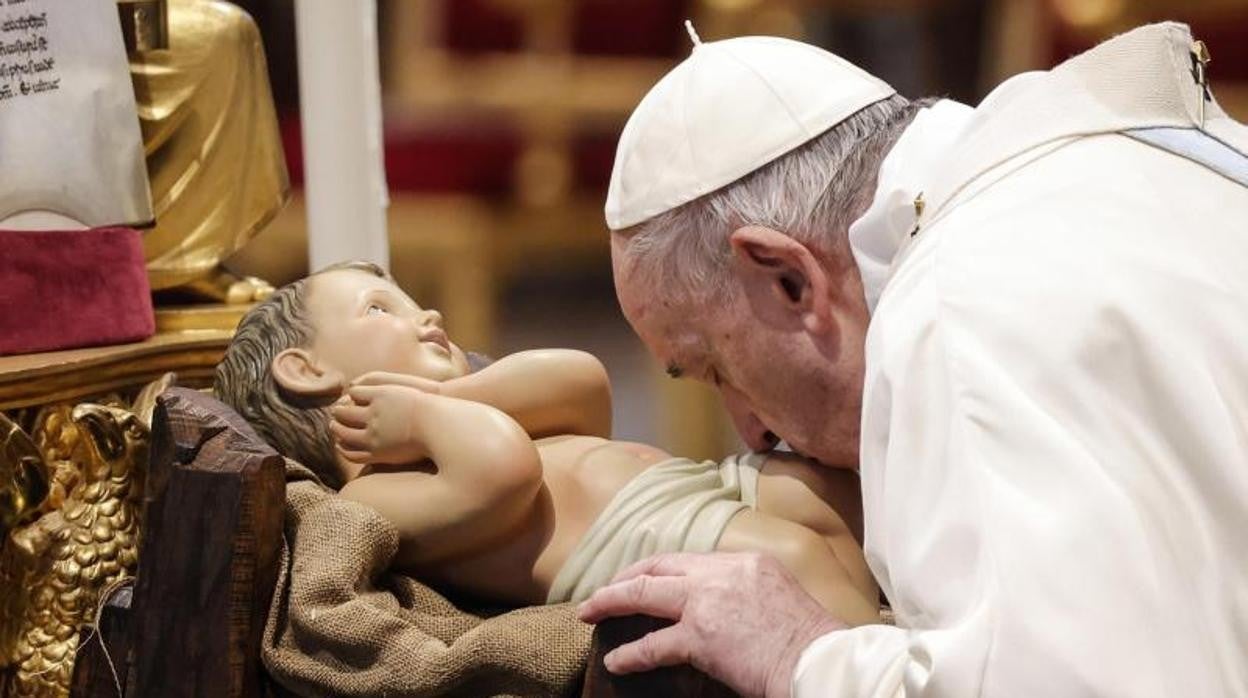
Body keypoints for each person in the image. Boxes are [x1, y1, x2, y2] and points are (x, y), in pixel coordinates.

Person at [579, 21, 1248, 698]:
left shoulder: (955, 309)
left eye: (716, 368)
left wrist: (801, 656)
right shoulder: (1126, 166)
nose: (752, 431)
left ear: (788, 277)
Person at [213, 261, 880, 623]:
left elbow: (582, 381)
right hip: (660, 541)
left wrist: (445, 398)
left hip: (708, 487)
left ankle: (903, 629)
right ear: (306, 370)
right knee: (796, 564)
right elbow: (503, 473)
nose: (428, 314)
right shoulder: (374, 497)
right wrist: (422, 421)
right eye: (381, 309)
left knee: (827, 487)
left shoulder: (463, 407)